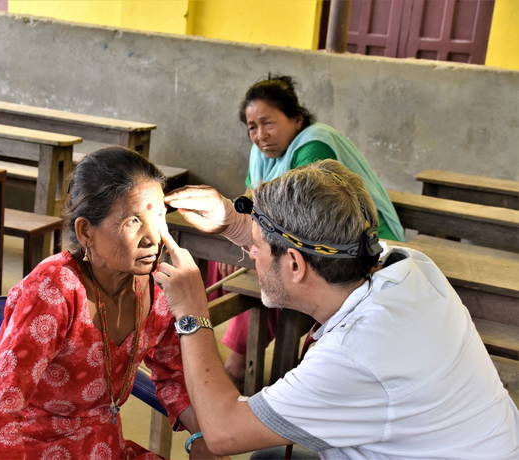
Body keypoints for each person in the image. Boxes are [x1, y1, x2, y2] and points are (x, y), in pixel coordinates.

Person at [156, 160, 519, 458]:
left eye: (258, 246)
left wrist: (192, 314)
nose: (251, 251)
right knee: (269, 456)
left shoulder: (353, 354)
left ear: (295, 265)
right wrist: (235, 222)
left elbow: (222, 432)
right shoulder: (409, 266)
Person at [0, 147, 218, 459]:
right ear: (86, 231)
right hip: (37, 451)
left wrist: (206, 435)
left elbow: (175, 376)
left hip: (106, 449)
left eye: (159, 218)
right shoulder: (53, 293)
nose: (154, 237)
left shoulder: (158, 291)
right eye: (133, 221)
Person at [219, 75, 405, 384]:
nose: (260, 135)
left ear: (296, 119)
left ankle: (241, 365)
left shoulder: (313, 143)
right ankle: (243, 357)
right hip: (307, 238)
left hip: (358, 240)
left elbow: (300, 218)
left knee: (281, 271)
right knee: (234, 261)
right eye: (252, 127)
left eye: (269, 123)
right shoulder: (262, 154)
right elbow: (254, 206)